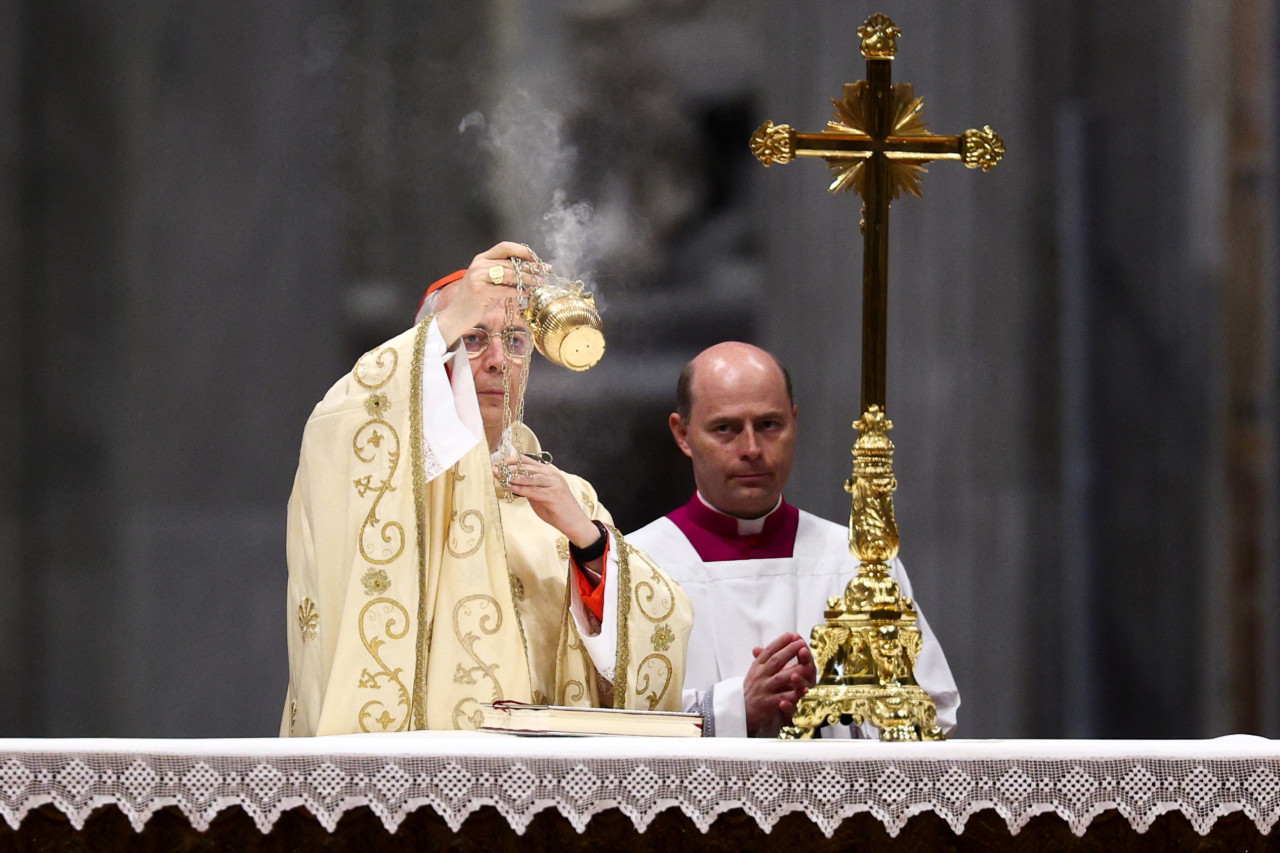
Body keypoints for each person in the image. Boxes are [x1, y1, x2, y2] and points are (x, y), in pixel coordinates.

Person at [282, 242, 692, 736]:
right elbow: (340, 424)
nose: (499, 360)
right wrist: (451, 319)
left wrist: (591, 544)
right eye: (474, 338)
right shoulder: (403, 482)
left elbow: (658, 637)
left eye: (516, 341)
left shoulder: (571, 499)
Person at [627, 342, 958, 738]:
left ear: (794, 423)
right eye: (726, 428)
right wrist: (736, 709)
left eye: (769, 425)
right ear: (683, 434)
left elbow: (933, 712)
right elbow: (606, 722)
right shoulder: (637, 564)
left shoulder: (858, 560)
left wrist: (828, 703)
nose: (751, 449)